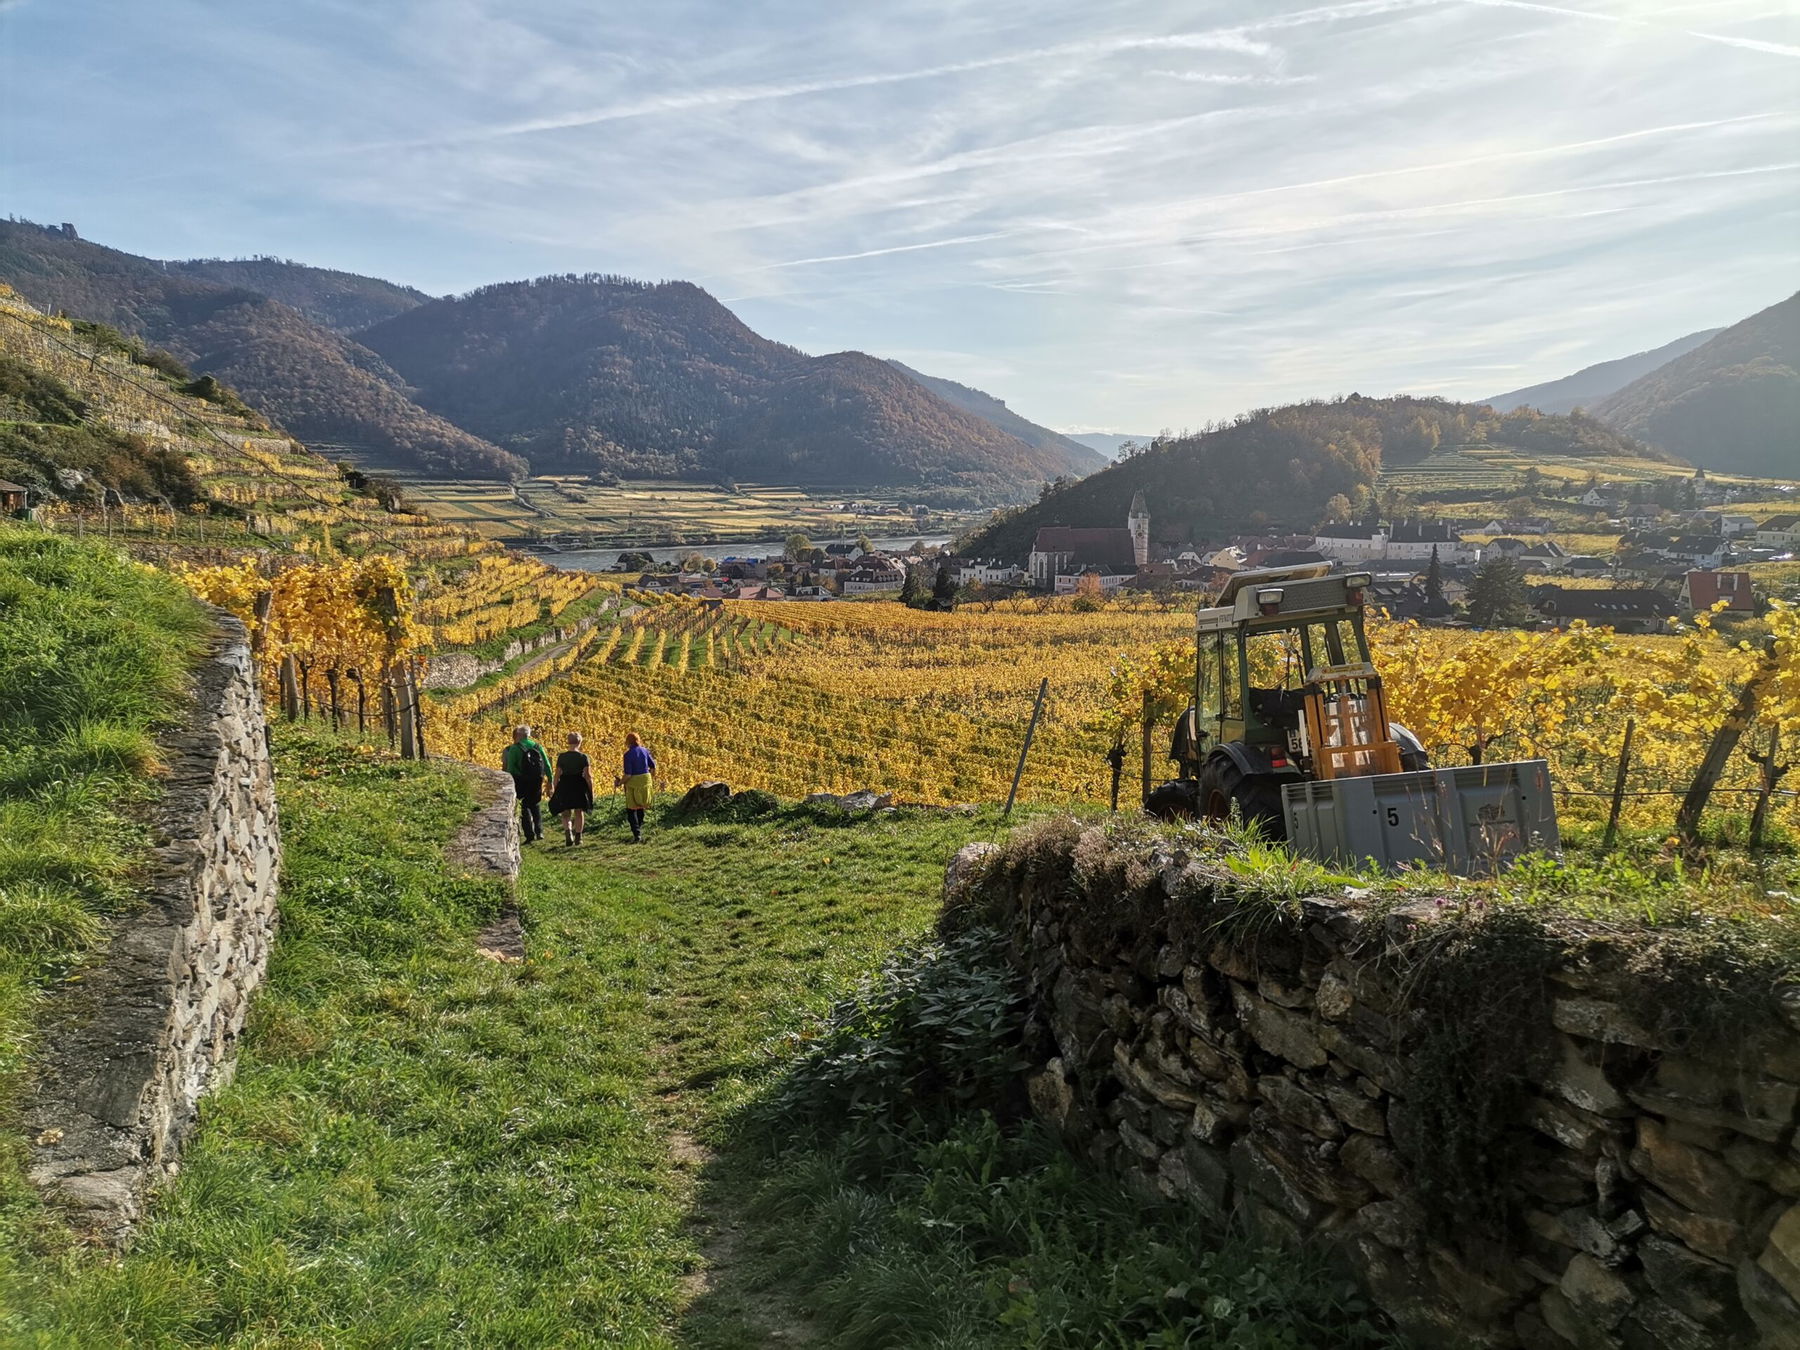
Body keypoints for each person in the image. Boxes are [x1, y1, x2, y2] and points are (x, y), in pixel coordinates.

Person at [501, 725, 552, 843]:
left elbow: (511, 768)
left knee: (524, 806)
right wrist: (550, 780)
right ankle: (540, 831)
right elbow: (547, 765)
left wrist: (509, 781)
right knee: (535, 804)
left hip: (521, 780)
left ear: (518, 735)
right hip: (536, 779)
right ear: (529, 735)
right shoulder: (538, 746)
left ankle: (529, 834)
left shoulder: (514, 748)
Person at [548, 731, 595, 846]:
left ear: (568, 742)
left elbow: (557, 775)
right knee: (579, 811)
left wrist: (554, 788)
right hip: (579, 784)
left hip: (565, 784)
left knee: (565, 812)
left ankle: (568, 833)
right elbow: (588, 776)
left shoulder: (562, 757)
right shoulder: (583, 757)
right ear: (579, 742)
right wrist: (590, 789)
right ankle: (578, 836)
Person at [619, 731, 656, 843]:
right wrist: (650, 777)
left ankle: (637, 834)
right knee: (641, 806)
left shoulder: (627, 755)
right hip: (645, 780)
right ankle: (639, 829)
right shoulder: (645, 750)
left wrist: (620, 782)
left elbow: (628, 775)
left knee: (631, 808)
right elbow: (653, 766)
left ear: (627, 742)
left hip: (634, 783)